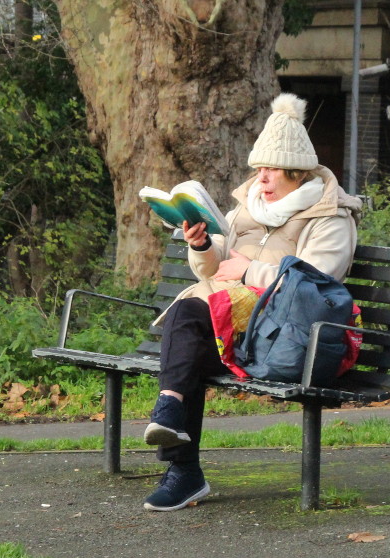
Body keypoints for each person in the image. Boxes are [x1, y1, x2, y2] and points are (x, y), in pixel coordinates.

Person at [142, 93, 363, 511]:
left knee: (188, 318)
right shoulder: (249, 210)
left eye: (270, 170)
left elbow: (316, 287)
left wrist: (249, 272)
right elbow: (210, 271)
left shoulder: (330, 218)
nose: (260, 178)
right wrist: (204, 245)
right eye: (258, 168)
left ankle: (181, 464)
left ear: (297, 173)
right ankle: (178, 450)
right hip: (238, 327)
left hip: (287, 337)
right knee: (188, 327)